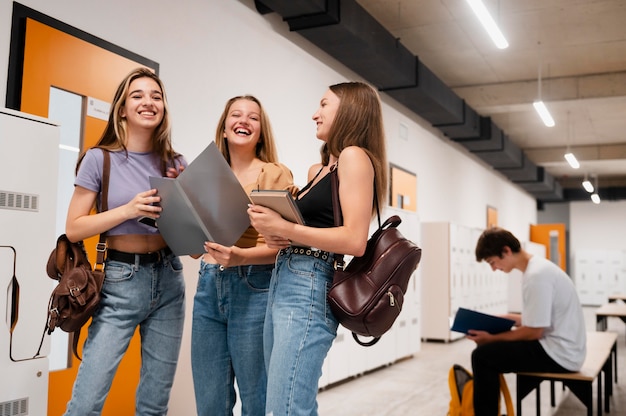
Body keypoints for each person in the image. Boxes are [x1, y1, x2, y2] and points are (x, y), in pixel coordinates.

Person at [248, 81, 388, 415]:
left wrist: (285, 227)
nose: (315, 114)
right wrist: (277, 233)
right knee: (283, 402)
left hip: (309, 282)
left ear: (350, 111)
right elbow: (312, 229)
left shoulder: (355, 157)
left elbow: (355, 240)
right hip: (287, 277)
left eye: (324, 105)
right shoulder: (325, 167)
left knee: (287, 406)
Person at [63, 67, 187, 415]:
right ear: (121, 108)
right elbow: (74, 228)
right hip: (119, 279)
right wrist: (129, 209)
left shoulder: (176, 163)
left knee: (154, 405)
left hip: (169, 279)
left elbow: (192, 247)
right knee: (86, 402)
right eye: (138, 95)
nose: (149, 102)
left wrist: (187, 212)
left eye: (156, 96)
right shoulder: (99, 158)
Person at [191, 95, 296, 416]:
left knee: (257, 399)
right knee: (209, 400)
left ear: (261, 131)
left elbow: (283, 246)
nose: (244, 121)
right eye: (236, 115)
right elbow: (196, 246)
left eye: (253, 118)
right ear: (223, 128)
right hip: (208, 286)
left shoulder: (273, 174)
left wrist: (240, 257)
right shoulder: (205, 176)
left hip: (254, 288)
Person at [469, 227, 587, 415]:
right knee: (488, 350)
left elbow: (534, 331)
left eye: (492, 262)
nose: (493, 269)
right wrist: (503, 319)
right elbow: (538, 318)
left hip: (561, 354)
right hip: (565, 348)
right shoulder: (538, 268)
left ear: (506, 251)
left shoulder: (536, 276)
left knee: (482, 356)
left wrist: (490, 339)